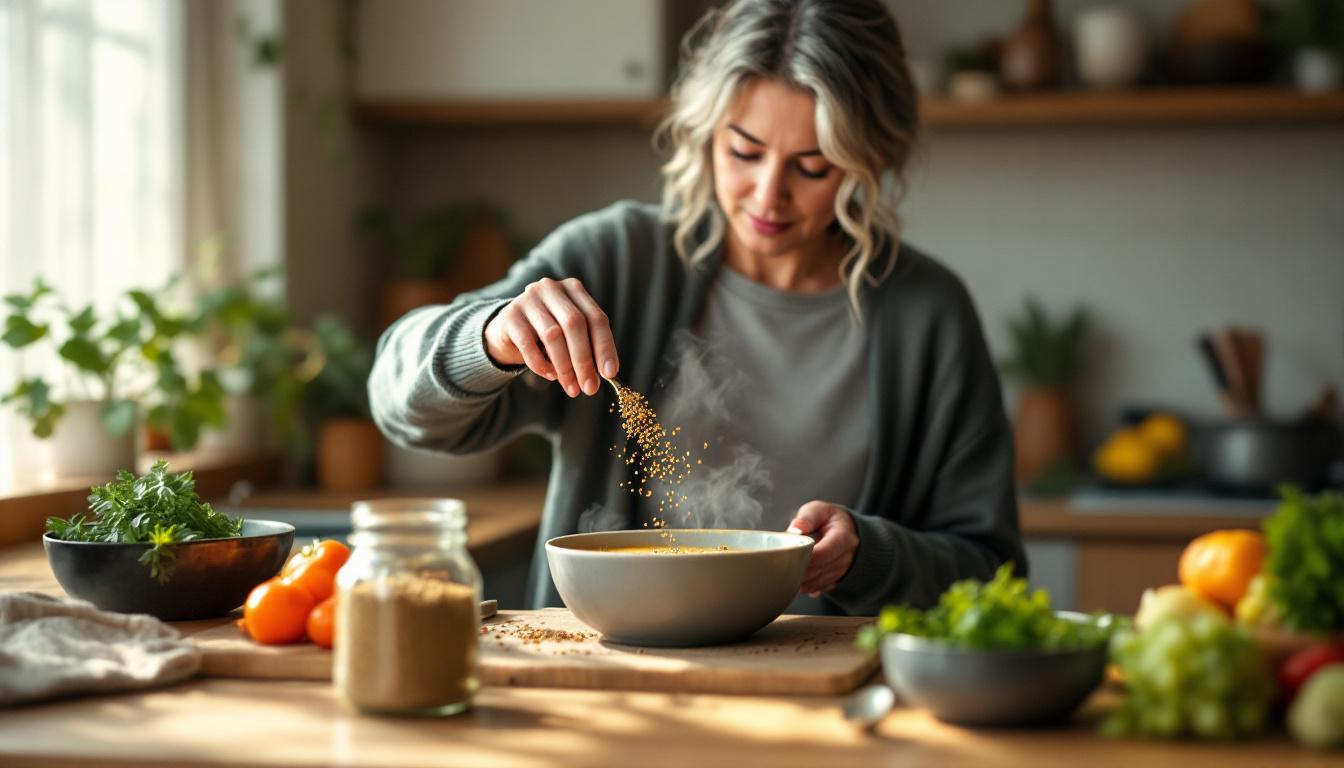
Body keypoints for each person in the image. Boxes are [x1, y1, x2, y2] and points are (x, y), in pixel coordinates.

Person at [369, 0, 1025, 615]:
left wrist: (870, 555)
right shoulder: (619, 261)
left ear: (869, 160)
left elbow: (991, 570)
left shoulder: (927, 314)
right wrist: (487, 337)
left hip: (835, 700)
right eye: (744, 151)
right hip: (618, 693)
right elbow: (403, 409)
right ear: (705, 131)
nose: (769, 195)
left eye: (813, 167)